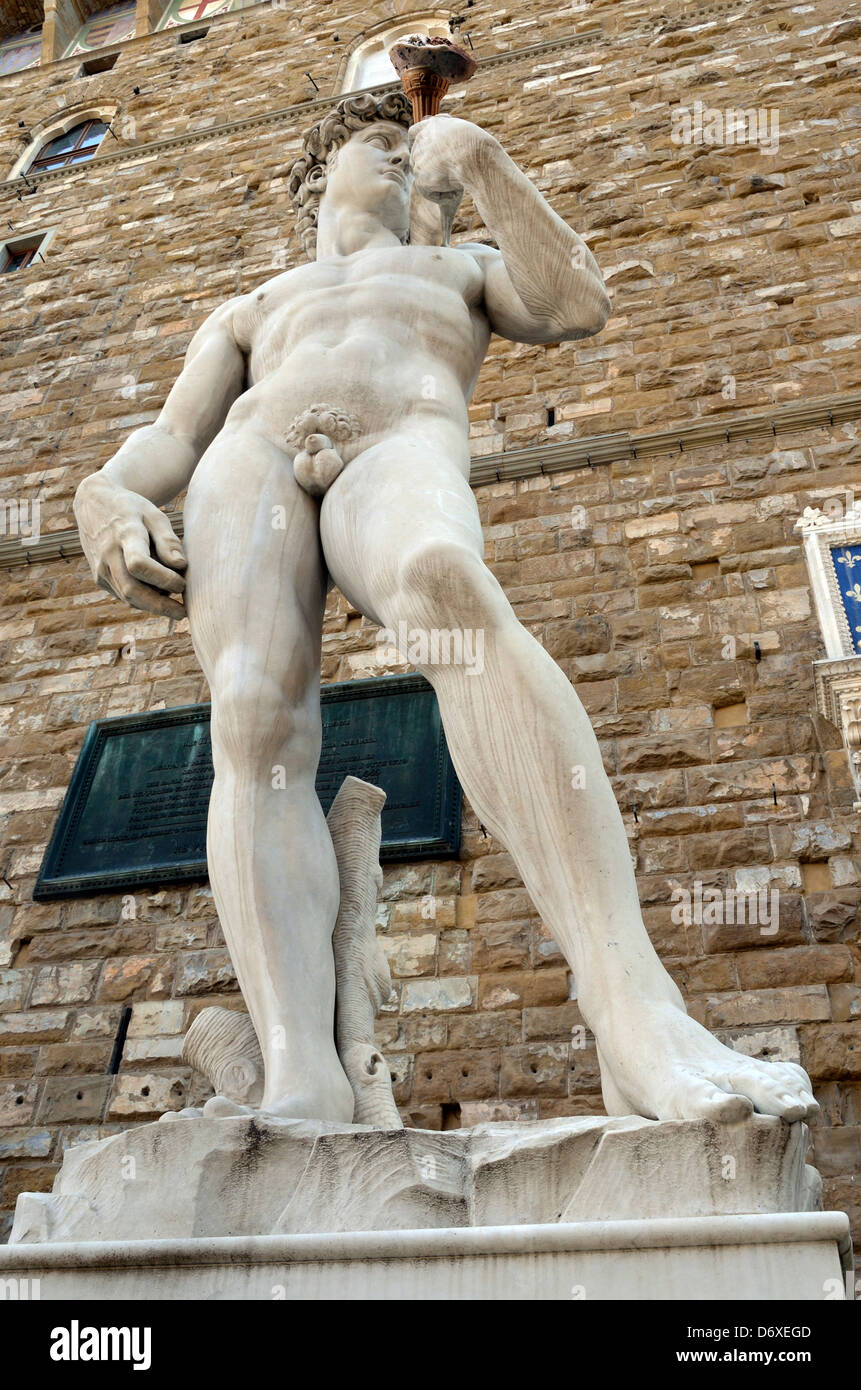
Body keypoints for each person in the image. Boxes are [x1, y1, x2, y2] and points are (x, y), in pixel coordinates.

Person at [74, 92, 817, 1126]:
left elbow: (575, 302)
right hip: (250, 461)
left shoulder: (456, 265)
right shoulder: (255, 304)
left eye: (406, 146)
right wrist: (101, 492)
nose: (401, 159)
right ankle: (301, 1075)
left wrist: (483, 161)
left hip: (398, 438)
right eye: (381, 147)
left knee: (443, 584)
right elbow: (168, 434)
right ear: (319, 173)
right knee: (250, 717)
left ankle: (635, 1009)